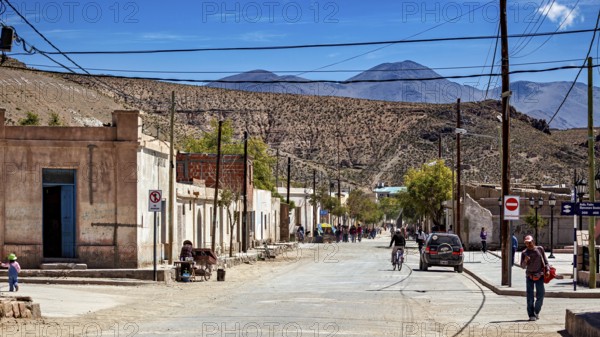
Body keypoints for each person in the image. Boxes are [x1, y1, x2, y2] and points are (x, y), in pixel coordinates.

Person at [520, 235, 549, 321]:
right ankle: (531, 314)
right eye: (526, 243)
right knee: (530, 297)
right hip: (529, 276)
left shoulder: (540, 249)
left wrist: (547, 270)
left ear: (533, 241)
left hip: (539, 275)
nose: (528, 244)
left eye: (530, 242)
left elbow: (545, 261)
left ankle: (536, 311)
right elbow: (522, 266)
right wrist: (525, 260)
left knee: (541, 294)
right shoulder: (524, 253)